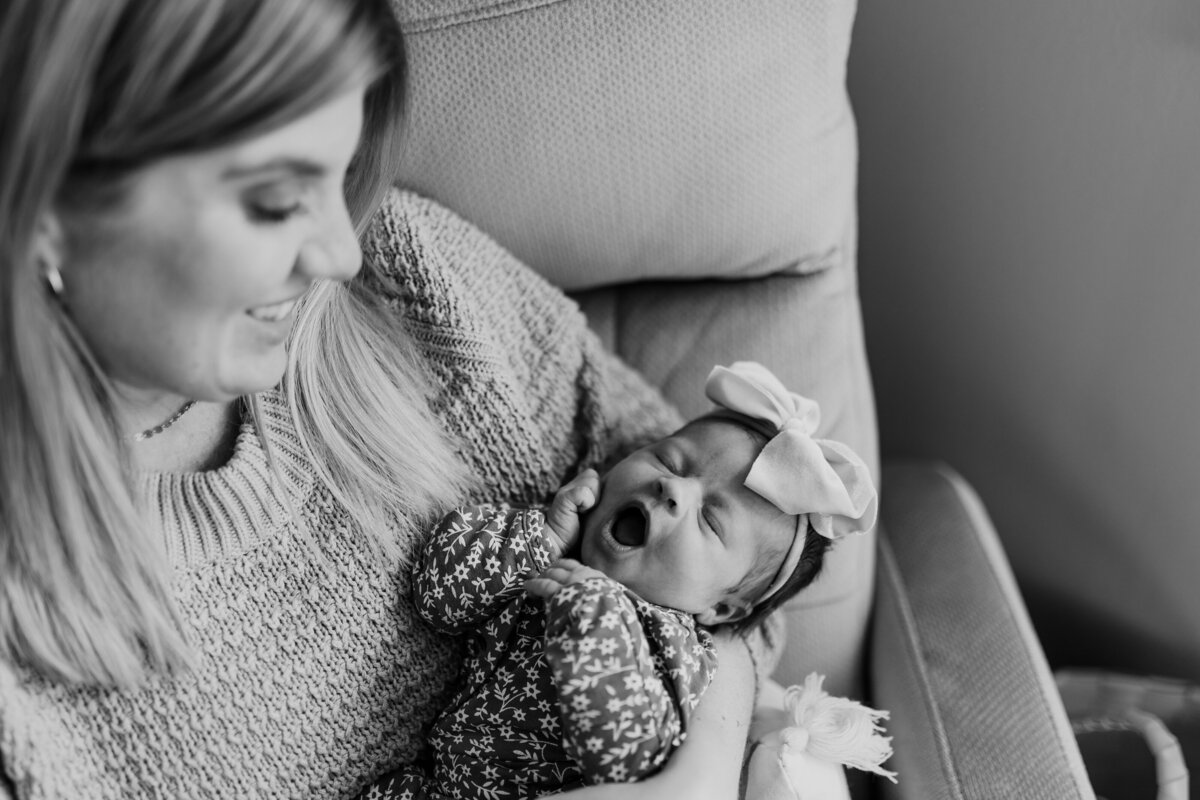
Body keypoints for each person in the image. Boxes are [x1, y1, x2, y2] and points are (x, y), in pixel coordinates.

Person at [0, 1, 763, 798]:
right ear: (49, 204)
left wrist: (696, 776)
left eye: (342, 174)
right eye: (274, 201)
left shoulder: (415, 286)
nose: (341, 250)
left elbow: (755, 577)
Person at [374, 363, 877, 800]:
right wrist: (541, 537)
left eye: (711, 521)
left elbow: (624, 754)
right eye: (669, 460)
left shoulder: (678, 651)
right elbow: (437, 596)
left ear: (723, 609)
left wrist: (594, 615)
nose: (674, 488)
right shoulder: (540, 555)